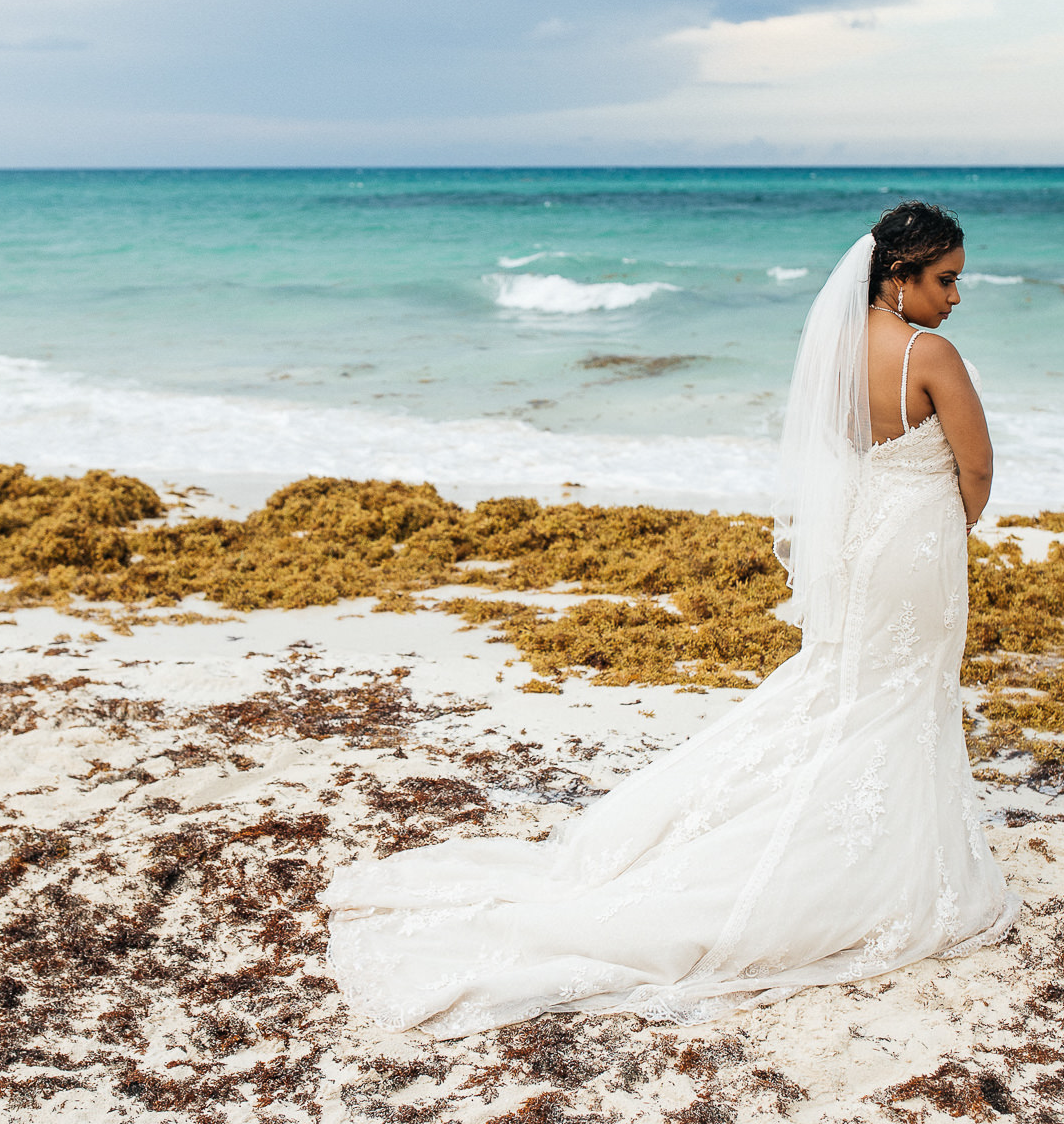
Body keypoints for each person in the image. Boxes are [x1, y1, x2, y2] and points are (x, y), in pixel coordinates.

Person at [320, 202, 1018, 1040]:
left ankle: (861, 834)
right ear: (898, 276)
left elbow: (842, 451)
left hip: (869, 537)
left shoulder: (837, 349)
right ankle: (887, 859)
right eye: (945, 280)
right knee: (906, 693)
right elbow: (974, 468)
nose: (955, 297)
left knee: (854, 688)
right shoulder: (929, 353)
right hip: (916, 544)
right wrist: (949, 525)